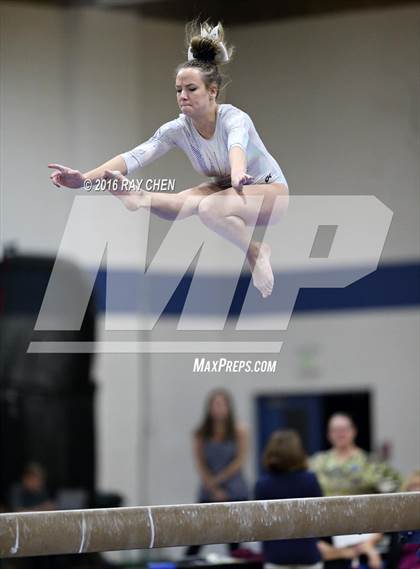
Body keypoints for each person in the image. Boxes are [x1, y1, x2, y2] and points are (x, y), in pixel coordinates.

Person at [48, 20, 289, 299]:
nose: (183, 96)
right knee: (182, 203)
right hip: (227, 189)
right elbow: (134, 157)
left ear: (212, 91)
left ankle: (256, 252)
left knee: (209, 208)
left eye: (191, 89)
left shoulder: (234, 118)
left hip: (270, 191)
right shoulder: (177, 129)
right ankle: (137, 197)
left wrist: (237, 173)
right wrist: (83, 180)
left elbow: (237, 145)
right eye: (178, 90)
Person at [187, 388, 249, 556]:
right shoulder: (201, 433)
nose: (219, 408)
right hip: (209, 489)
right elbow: (199, 462)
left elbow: (240, 460)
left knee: (234, 542)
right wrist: (213, 487)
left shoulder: (239, 430)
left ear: (229, 407)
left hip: (234, 488)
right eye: (215, 404)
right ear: (209, 408)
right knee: (196, 539)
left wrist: (220, 480)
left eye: (222, 404)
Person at [255, 429, 323, 569]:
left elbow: (259, 525)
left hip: (277, 556)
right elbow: (320, 517)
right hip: (307, 554)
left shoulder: (263, 484)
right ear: (298, 452)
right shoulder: (310, 480)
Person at [310, 413, 401, 496]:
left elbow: (396, 484)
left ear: (353, 431)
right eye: (335, 430)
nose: (340, 434)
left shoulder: (370, 461)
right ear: (329, 434)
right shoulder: (318, 462)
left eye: (344, 429)